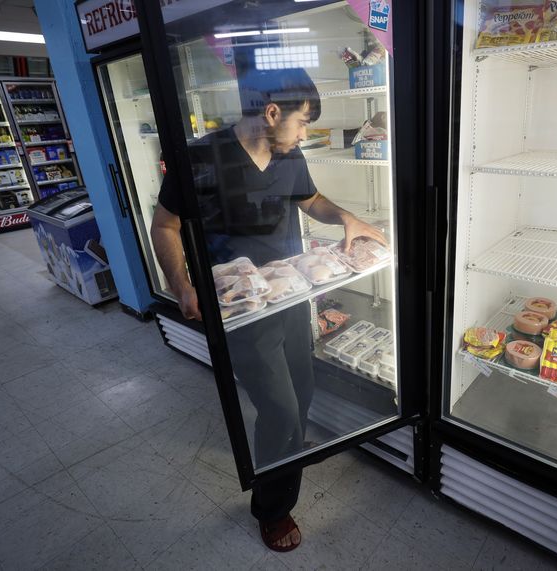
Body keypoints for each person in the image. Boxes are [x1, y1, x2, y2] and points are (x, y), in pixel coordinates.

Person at [150, 67, 386, 552]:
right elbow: (165, 227)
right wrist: (182, 284)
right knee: (279, 409)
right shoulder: (199, 157)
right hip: (241, 309)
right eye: (300, 123)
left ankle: (284, 455)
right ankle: (273, 509)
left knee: (301, 391)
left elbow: (310, 198)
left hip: (291, 296)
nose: (303, 135)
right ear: (271, 111)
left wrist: (345, 217)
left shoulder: (287, 152)